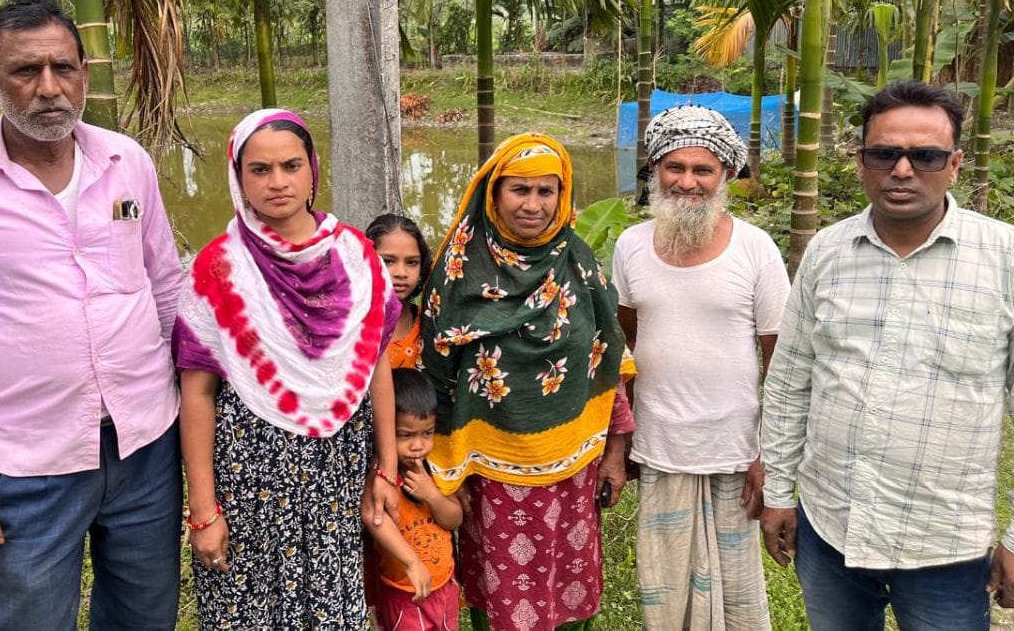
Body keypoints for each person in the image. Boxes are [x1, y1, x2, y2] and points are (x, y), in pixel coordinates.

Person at [0, 0, 183, 629]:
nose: (49, 88)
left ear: (85, 74)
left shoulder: (126, 162)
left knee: (145, 618)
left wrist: (195, 401)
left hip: (146, 446)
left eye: (64, 68)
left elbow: (165, 285)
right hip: (32, 466)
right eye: (26, 71)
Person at [761, 80, 1014, 630]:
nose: (902, 170)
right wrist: (779, 492)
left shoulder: (1005, 259)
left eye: (925, 156)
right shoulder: (827, 252)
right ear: (861, 161)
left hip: (943, 543)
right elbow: (789, 382)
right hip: (831, 528)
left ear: (955, 164)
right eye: (885, 153)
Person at [172, 108, 403, 629]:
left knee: (331, 609)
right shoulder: (217, 268)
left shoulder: (356, 256)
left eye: (290, 165)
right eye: (259, 170)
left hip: (334, 473)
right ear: (238, 177)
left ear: (311, 169)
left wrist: (385, 465)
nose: (277, 182)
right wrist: (204, 510)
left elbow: (376, 366)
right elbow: (198, 392)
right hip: (249, 474)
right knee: (249, 610)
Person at [421, 133, 635, 630]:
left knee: (567, 584)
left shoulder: (578, 262)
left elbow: (608, 361)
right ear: (494, 194)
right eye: (520, 190)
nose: (533, 205)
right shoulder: (457, 272)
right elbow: (435, 380)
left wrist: (616, 455)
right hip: (489, 474)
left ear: (562, 196)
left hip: (572, 471)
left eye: (546, 191)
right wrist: (442, 473)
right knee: (498, 596)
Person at [611, 105, 789, 630]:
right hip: (660, 445)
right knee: (664, 593)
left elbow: (779, 361)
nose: (687, 181)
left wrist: (769, 455)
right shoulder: (630, 247)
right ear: (655, 173)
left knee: (736, 596)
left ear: (725, 176)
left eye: (702, 169)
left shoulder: (755, 250)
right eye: (675, 167)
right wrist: (620, 446)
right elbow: (625, 346)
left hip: (734, 450)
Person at [367, 368, 463, 630]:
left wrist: (432, 495)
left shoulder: (435, 467)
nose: (418, 445)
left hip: (444, 585)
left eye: (427, 433)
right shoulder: (382, 472)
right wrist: (412, 562)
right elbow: (373, 518)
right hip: (404, 592)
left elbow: (454, 520)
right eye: (405, 435)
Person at [367, 213, 433, 370]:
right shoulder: (351, 326)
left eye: (412, 262)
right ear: (367, 259)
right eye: (388, 261)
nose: (401, 273)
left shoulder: (428, 326)